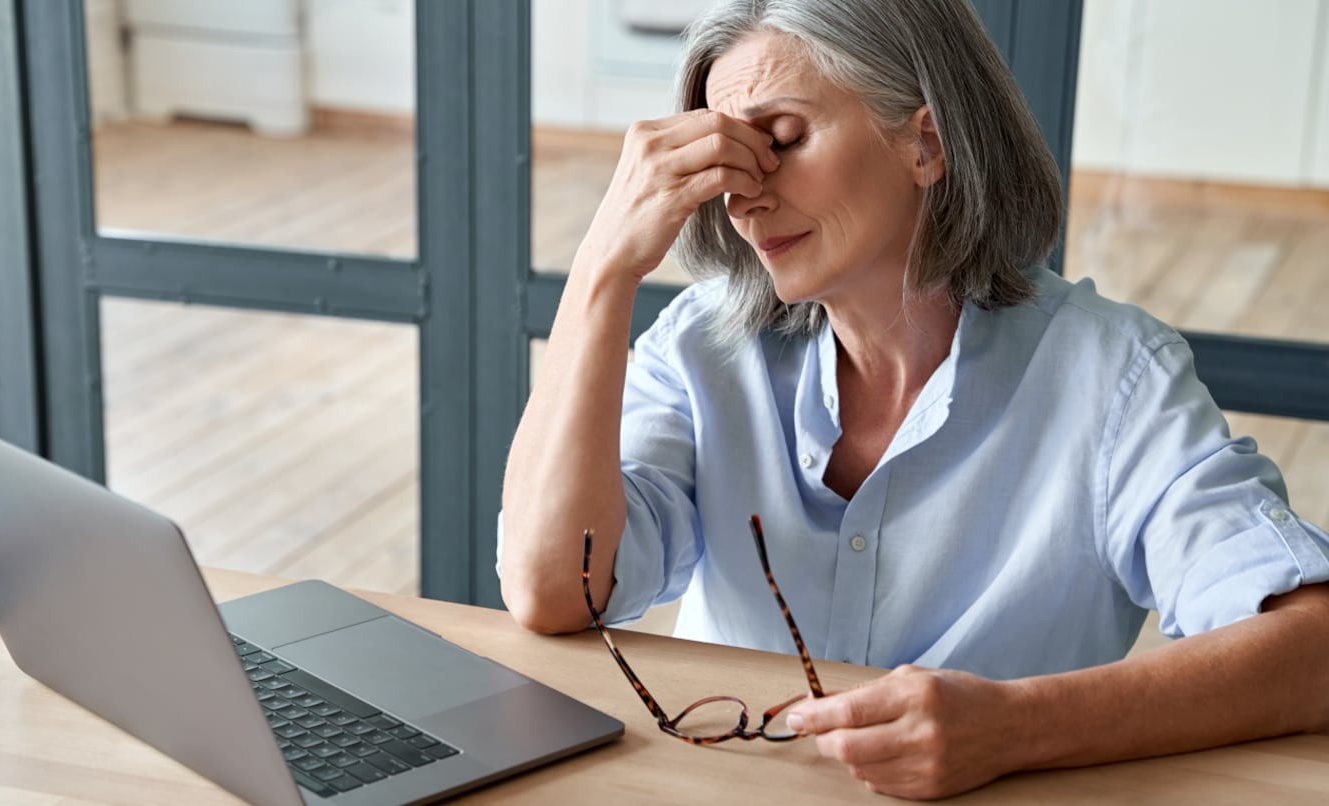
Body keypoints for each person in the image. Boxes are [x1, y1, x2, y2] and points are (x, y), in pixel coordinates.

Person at [497, 0, 1329, 798]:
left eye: (781, 141)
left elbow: (1313, 649)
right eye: (729, 160)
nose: (744, 195)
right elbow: (553, 591)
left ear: (925, 144)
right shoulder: (702, 347)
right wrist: (604, 268)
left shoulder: (1112, 378)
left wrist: (1014, 725)